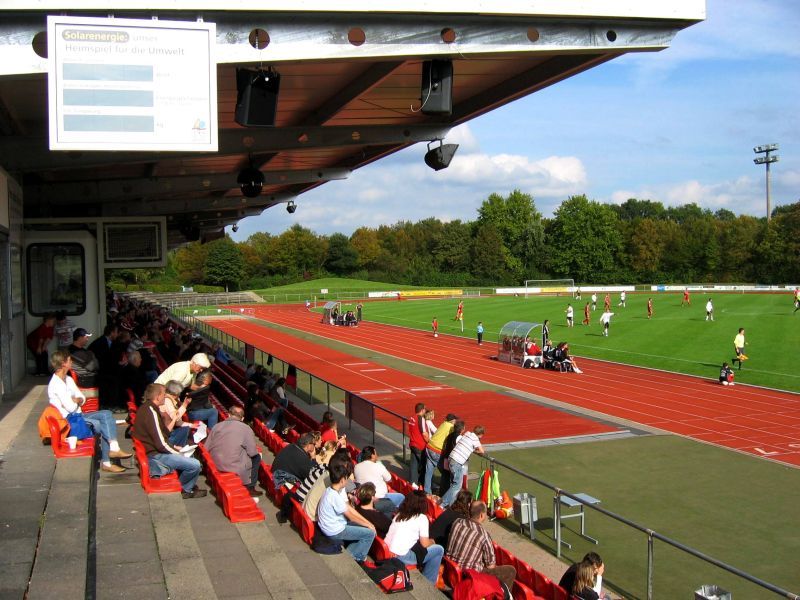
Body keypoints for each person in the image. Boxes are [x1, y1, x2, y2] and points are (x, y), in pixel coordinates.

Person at [48, 350, 132, 474]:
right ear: (63, 363)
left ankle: (113, 449)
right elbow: (71, 408)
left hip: (79, 415)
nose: (71, 361)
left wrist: (76, 400)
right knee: (105, 425)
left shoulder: (69, 379)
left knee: (107, 414)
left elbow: (82, 398)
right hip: (70, 421)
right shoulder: (56, 384)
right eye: (69, 360)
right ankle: (107, 461)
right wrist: (76, 401)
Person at [133, 383, 206, 497]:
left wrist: (175, 447)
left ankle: (187, 485)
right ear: (158, 396)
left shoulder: (147, 408)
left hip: (155, 451)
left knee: (190, 457)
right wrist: (178, 453)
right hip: (155, 455)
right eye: (163, 394)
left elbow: (162, 434)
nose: (166, 396)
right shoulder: (150, 411)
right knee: (195, 464)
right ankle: (185, 489)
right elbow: (160, 443)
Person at [446, 500, 517, 591]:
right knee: (511, 571)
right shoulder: (483, 535)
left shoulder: (457, 522)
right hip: (468, 575)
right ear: (481, 515)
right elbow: (490, 566)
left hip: (452, 569)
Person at [316, 460, 376, 563]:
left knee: (365, 527)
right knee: (369, 534)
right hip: (335, 531)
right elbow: (351, 516)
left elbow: (350, 510)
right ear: (343, 480)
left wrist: (367, 523)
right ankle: (358, 557)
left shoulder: (329, 491)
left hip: (330, 527)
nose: (348, 481)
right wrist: (369, 526)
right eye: (347, 478)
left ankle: (352, 552)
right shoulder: (335, 497)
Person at [385, 491, 444, 583]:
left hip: (387, 551)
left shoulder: (400, 514)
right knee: (439, 549)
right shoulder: (422, 518)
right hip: (401, 556)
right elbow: (425, 544)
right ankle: (429, 582)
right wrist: (432, 542)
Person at [205, 405, 262, 498]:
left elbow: (206, 447)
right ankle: (250, 487)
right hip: (234, 466)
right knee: (257, 457)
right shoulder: (246, 428)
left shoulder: (216, 426)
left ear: (228, 415)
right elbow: (252, 452)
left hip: (215, 463)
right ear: (242, 418)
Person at [441, 425, 485, 508]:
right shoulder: (475, 439)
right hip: (457, 462)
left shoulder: (467, 433)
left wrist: (472, 449)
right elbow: (482, 452)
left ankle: (450, 503)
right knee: (456, 485)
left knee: (456, 483)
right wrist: (476, 450)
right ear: (481, 434)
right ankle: (443, 503)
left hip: (451, 458)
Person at [424, 413, 457, 495]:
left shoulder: (444, 424)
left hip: (429, 447)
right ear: (452, 421)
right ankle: (445, 492)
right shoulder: (451, 427)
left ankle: (426, 491)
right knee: (445, 472)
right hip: (437, 450)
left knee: (429, 471)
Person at [160, 380, 196, 447]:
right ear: (175, 394)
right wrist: (185, 404)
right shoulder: (167, 401)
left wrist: (191, 425)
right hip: (166, 435)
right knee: (186, 431)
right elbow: (175, 418)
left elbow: (177, 422)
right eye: (179, 393)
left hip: (168, 431)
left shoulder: (170, 400)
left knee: (188, 431)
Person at [408, 402, 428, 487]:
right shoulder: (421, 419)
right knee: (424, 466)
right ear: (422, 410)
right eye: (425, 409)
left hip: (412, 444)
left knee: (413, 465)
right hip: (420, 446)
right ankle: (422, 484)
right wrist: (429, 441)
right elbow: (424, 433)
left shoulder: (412, 418)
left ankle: (413, 484)